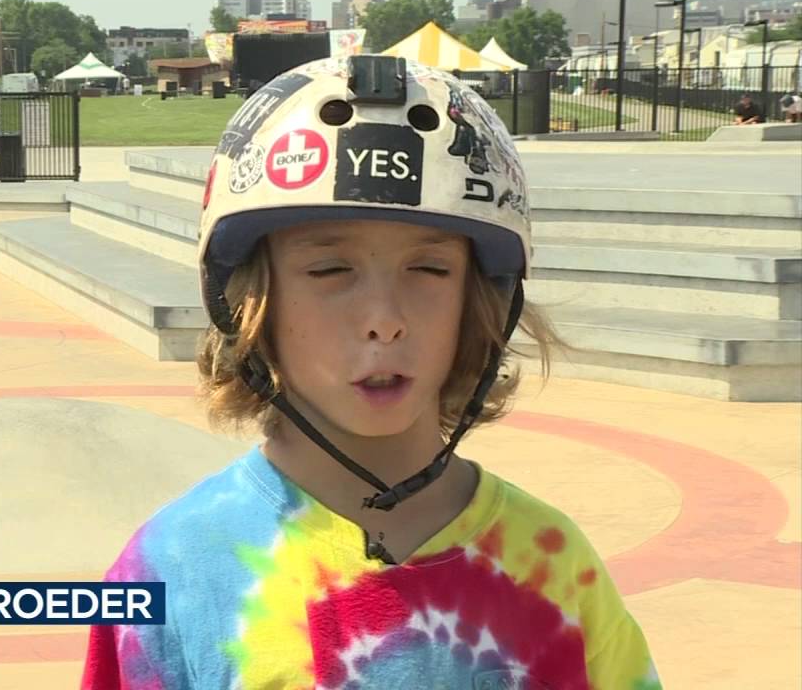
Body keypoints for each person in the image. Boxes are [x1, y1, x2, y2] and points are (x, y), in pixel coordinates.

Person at [81, 55, 662, 689]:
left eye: (430, 271)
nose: (385, 320)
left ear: (478, 305)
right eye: (331, 271)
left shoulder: (554, 569)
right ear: (248, 303)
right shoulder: (173, 570)